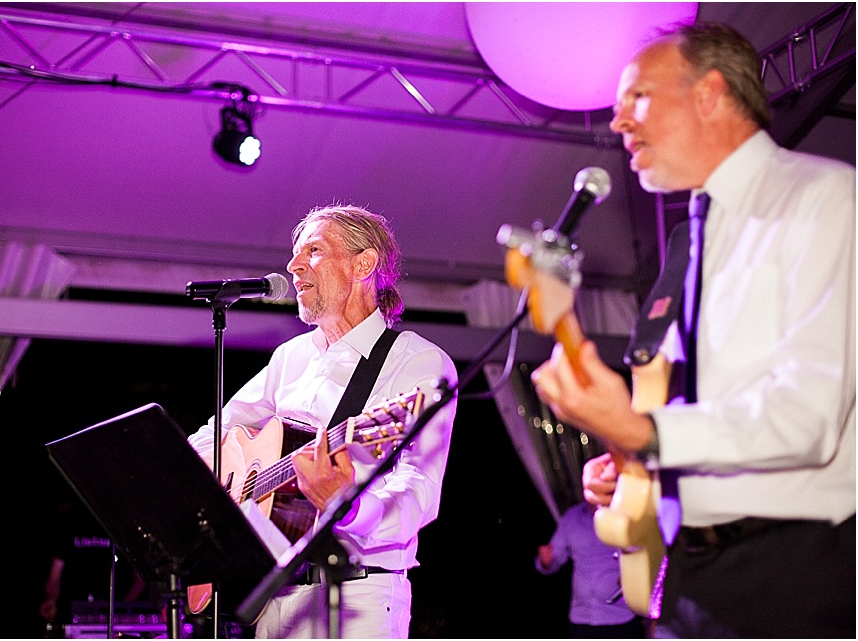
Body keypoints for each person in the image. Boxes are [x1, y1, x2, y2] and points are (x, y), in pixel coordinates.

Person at [531, 22, 855, 638]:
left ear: (709, 94)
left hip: (795, 570)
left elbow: (807, 419)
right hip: (689, 573)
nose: (618, 122)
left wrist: (642, 428)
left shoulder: (824, 197)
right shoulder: (690, 239)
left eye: (638, 98)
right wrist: (636, 461)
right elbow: (719, 407)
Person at [187, 204, 457, 638]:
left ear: (363, 264)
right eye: (294, 255)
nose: (293, 266)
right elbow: (214, 432)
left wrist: (346, 505)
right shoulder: (290, 356)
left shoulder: (417, 361)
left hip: (358, 596)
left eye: (312, 250)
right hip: (270, 597)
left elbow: (419, 495)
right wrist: (211, 490)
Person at [39, 498, 150, 638]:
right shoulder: (70, 523)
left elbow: (141, 577)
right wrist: (51, 599)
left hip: (114, 616)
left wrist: (123, 608)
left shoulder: (120, 525)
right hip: (75, 613)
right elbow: (54, 576)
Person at [536, 501, 645, 638]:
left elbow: (644, 557)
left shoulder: (625, 518)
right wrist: (545, 561)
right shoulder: (572, 517)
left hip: (619, 618)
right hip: (581, 619)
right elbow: (554, 559)